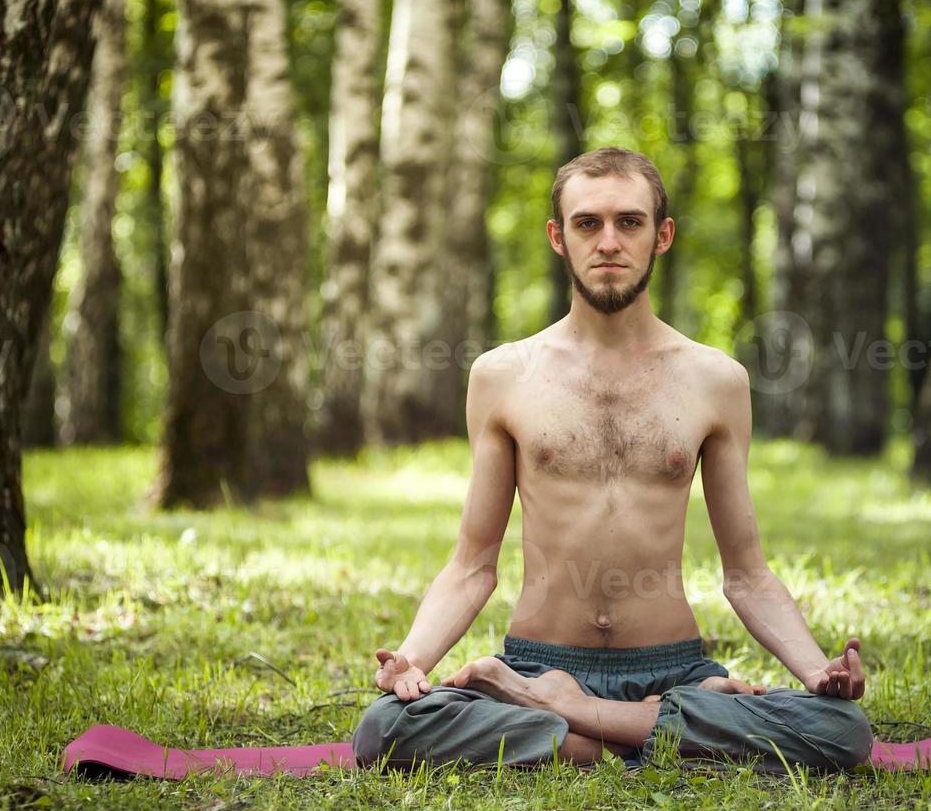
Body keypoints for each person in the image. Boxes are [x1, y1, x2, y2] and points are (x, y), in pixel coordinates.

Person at [352, 147, 871, 773]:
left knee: (843, 730)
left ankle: (561, 721)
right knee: (384, 730)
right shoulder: (503, 376)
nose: (608, 242)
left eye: (629, 222)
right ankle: (651, 733)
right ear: (557, 237)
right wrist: (412, 661)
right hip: (542, 660)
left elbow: (747, 575)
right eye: (587, 223)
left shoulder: (715, 380)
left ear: (662, 236)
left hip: (672, 667)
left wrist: (815, 671)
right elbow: (472, 566)